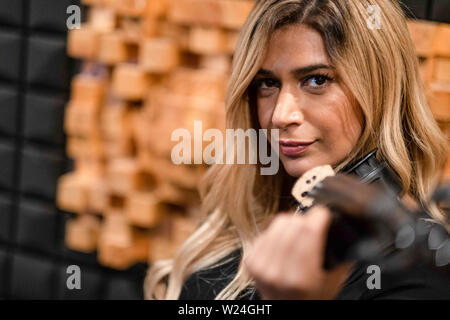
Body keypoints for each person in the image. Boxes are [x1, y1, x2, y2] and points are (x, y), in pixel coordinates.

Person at [144, 0, 450, 300]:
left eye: (316, 80)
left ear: (380, 91)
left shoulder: (416, 269)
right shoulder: (240, 221)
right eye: (267, 83)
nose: (280, 115)